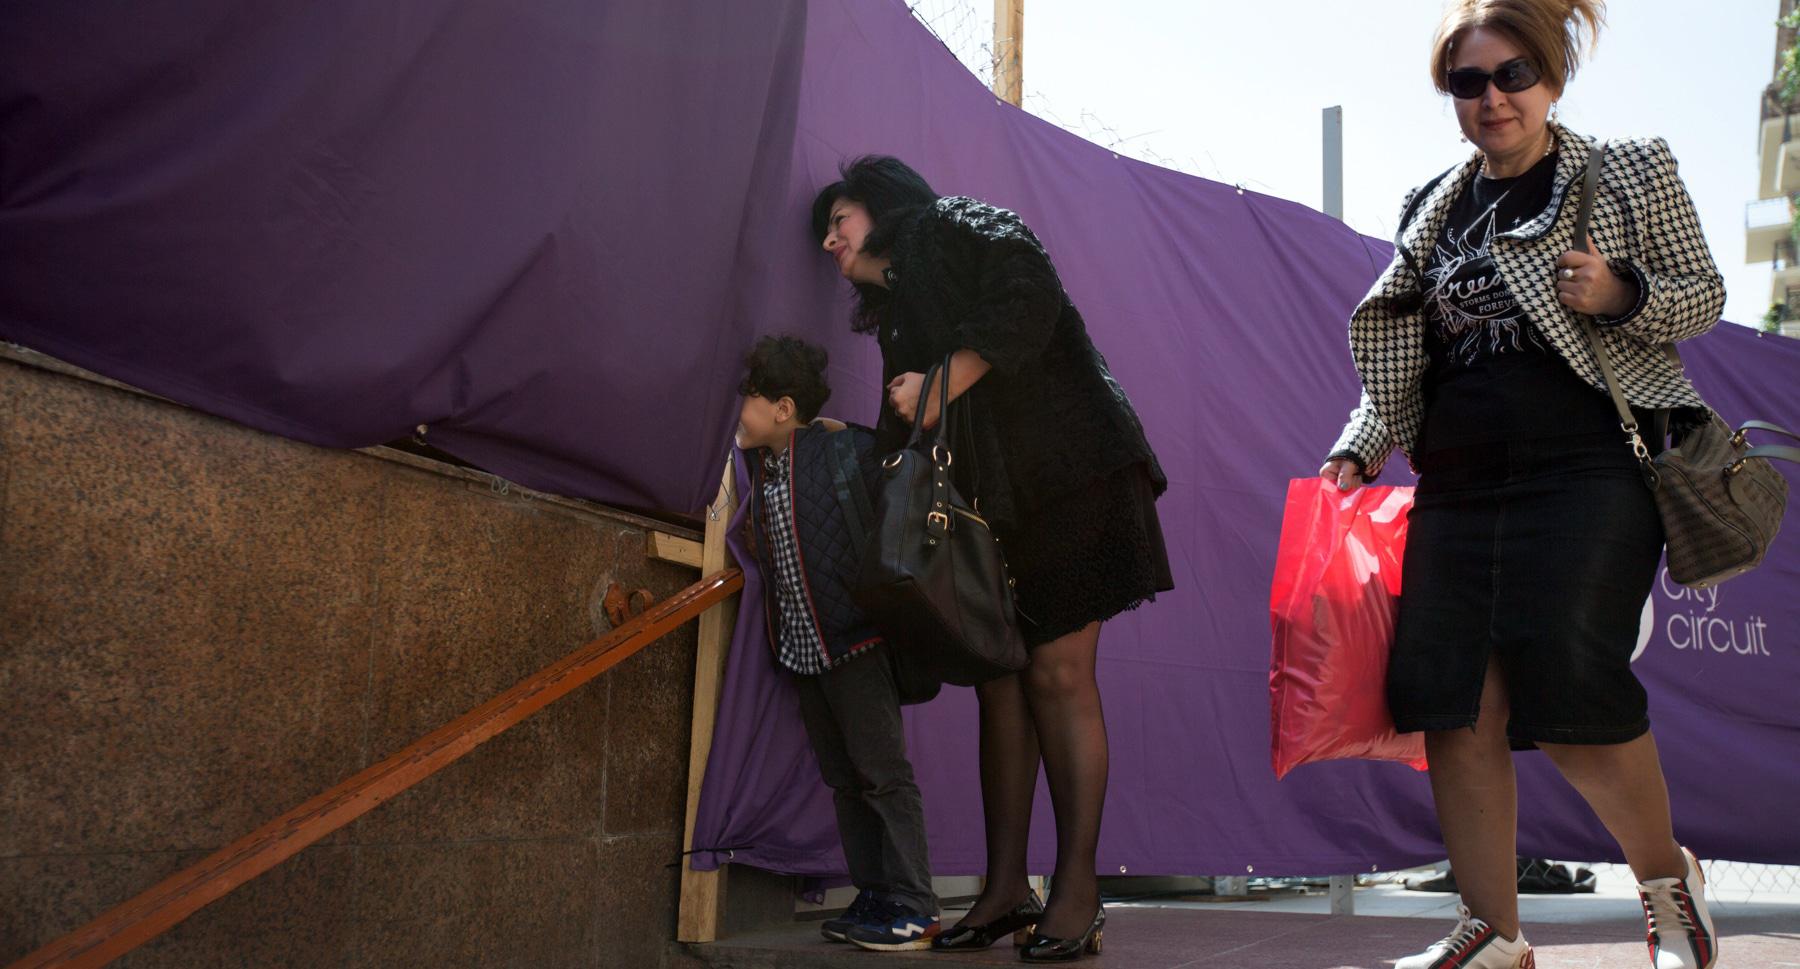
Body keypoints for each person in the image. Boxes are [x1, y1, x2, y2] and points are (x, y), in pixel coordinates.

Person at [1319, 2, 1723, 967]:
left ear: (1551, 78)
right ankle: (1494, 932)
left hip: (1587, 469)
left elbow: (1703, 294)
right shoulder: (1431, 203)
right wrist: (1361, 445)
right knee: (1454, 705)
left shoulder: (1628, 170)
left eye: (1513, 76)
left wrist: (1622, 292)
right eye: (1469, 82)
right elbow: (1409, 361)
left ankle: (1669, 885)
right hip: (1457, 484)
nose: (1493, 98)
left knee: (1572, 688)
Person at [811, 157, 1173, 962]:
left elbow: (1029, 286)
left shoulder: (951, 223)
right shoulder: (899, 310)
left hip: (1074, 479)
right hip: (999, 511)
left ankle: (1077, 891)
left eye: (841, 219)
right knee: (1001, 683)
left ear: (886, 206)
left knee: (1057, 676)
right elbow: (911, 429)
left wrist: (942, 379)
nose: (830, 240)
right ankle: (1006, 888)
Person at [735, 335, 941, 952]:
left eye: (749, 397)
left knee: (883, 776)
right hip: (806, 652)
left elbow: (898, 483)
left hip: (857, 643)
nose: (739, 408)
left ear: (782, 408)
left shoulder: (841, 449)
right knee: (845, 781)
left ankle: (916, 904)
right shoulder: (763, 468)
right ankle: (875, 896)